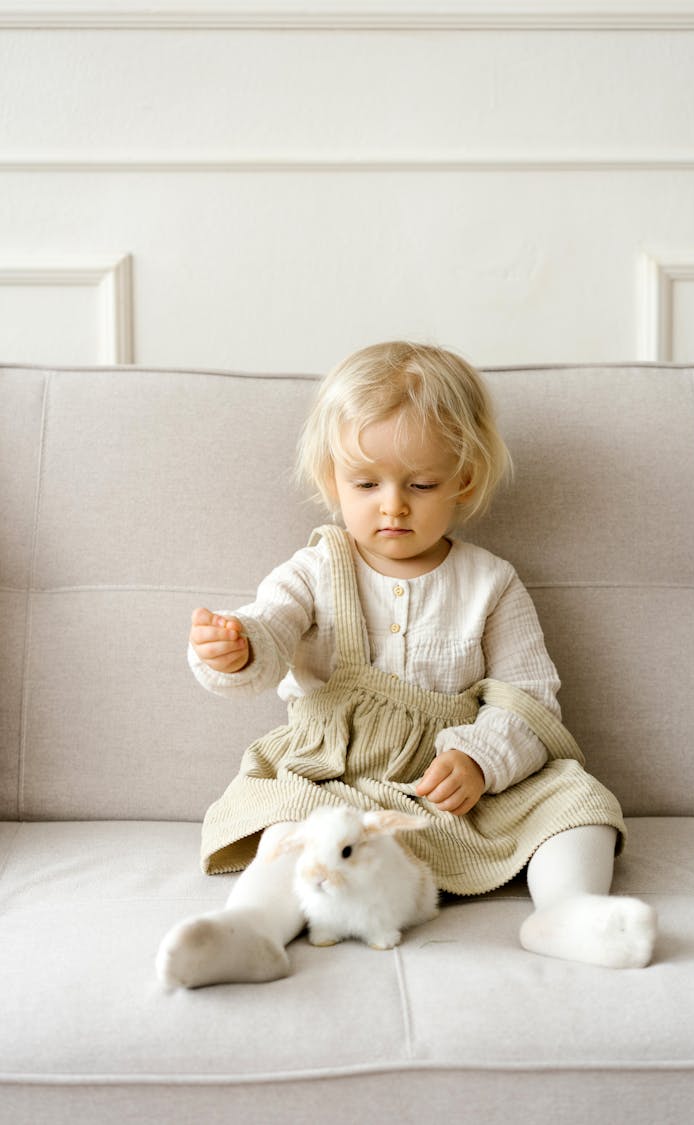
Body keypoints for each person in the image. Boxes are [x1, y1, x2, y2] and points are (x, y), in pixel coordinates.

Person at [156, 341, 656, 988]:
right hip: (334, 779)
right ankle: (250, 930)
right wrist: (237, 647)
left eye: (420, 485)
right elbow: (269, 628)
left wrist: (480, 758)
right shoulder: (316, 569)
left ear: (463, 481)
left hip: (452, 793)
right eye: (366, 484)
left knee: (579, 798)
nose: (392, 505)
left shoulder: (491, 583)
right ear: (332, 480)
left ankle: (567, 913)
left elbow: (529, 700)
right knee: (292, 823)